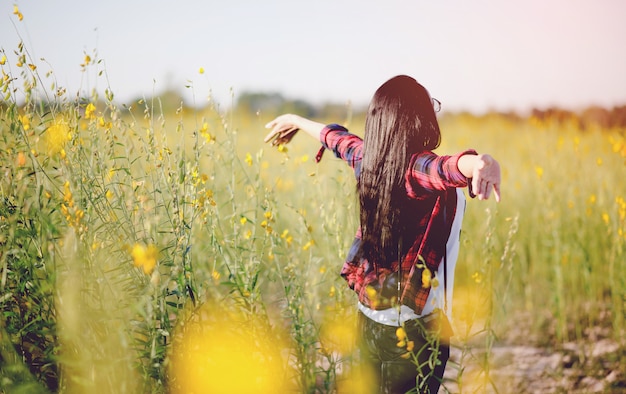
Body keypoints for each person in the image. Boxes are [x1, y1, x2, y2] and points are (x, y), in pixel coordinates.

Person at [264, 75, 501, 393]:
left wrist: (294, 119)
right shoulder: (414, 169)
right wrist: (483, 163)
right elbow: (449, 168)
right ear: (418, 118)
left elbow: (334, 138)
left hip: (369, 322)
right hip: (413, 333)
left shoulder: (366, 158)